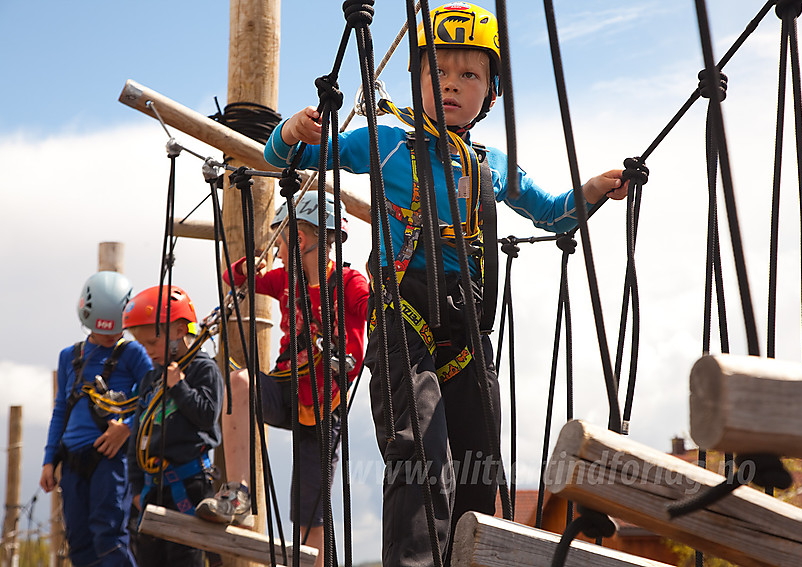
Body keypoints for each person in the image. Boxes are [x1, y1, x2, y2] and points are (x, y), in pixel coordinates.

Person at [264, 3, 630, 564]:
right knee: (419, 455)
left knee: (480, 466)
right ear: (417, 80)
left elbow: (554, 215)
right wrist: (291, 130)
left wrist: (592, 191)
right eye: (438, 72)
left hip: (468, 331)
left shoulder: (491, 164)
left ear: (490, 91)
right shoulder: (384, 142)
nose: (452, 85)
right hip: (402, 322)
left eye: (469, 75)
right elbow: (287, 156)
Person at [194, 191, 369, 566]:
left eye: (283, 238)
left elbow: (373, 308)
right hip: (286, 389)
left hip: (325, 405)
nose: (281, 247)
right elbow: (232, 278)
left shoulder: (349, 282)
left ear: (300, 240)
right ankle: (237, 493)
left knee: (310, 513)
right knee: (241, 382)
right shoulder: (284, 280)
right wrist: (249, 266)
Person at [40, 271, 152, 567]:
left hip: (112, 460)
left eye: (116, 330)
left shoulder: (134, 354)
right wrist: (49, 460)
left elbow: (154, 399)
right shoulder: (70, 357)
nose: (111, 336)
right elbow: (61, 410)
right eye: (104, 332)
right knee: (79, 539)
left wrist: (127, 429)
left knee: (109, 534)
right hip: (73, 462)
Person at [123, 285, 223, 567]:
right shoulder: (150, 381)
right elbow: (138, 437)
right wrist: (135, 489)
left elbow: (207, 416)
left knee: (184, 559)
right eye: (142, 345)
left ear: (180, 331)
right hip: (152, 488)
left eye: (152, 343)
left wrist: (179, 386)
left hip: (189, 485)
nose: (148, 352)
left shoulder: (203, 370)